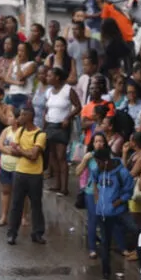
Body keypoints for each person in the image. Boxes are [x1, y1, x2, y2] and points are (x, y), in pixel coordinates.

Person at [93, 146, 135, 280]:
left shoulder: (122, 173)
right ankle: (106, 273)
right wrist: (98, 201)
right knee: (105, 244)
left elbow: (128, 192)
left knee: (135, 230)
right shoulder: (98, 171)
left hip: (119, 213)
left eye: (99, 162)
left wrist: (116, 203)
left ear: (106, 161)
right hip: (102, 214)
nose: (97, 166)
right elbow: (94, 183)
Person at [6, 105, 47, 245]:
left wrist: (21, 150)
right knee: (16, 204)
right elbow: (13, 151)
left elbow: (34, 155)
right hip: (20, 172)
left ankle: (37, 233)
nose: (20, 117)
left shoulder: (40, 134)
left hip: (35, 174)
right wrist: (26, 152)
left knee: (36, 204)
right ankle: (12, 233)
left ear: (30, 116)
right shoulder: (20, 131)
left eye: (23, 115)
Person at [44, 66, 81, 196]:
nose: (47, 78)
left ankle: (64, 188)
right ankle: (57, 184)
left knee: (61, 156)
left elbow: (78, 106)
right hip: (50, 124)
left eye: (49, 76)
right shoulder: (49, 91)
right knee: (52, 155)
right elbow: (46, 108)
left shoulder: (67, 90)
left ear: (57, 77)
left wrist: (68, 117)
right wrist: (44, 125)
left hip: (62, 126)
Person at [75, 132, 109, 260]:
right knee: (93, 219)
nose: (99, 144)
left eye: (101, 141)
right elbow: (78, 172)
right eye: (96, 141)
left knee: (106, 220)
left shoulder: (109, 157)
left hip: (107, 192)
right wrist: (85, 160)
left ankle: (104, 244)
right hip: (91, 192)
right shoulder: (89, 157)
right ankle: (92, 248)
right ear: (93, 144)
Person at [0, 108, 22, 227]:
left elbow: (21, 149)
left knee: (21, 193)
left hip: (18, 167)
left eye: (10, 116)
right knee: (5, 191)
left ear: (17, 119)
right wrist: (9, 151)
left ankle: (24, 216)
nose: (8, 118)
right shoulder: (6, 130)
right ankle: (4, 216)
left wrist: (6, 150)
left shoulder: (22, 132)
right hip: (5, 166)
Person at [4, 41, 36, 109]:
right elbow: (6, 78)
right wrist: (17, 83)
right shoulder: (13, 63)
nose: (19, 53)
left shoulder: (31, 64)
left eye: (22, 51)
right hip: (12, 94)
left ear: (28, 52)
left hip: (24, 96)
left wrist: (18, 63)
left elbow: (20, 77)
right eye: (18, 50)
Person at [32, 65, 49, 129]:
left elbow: (47, 110)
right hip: (33, 120)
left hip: (44, 122)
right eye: (39, 73)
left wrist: (44, 126)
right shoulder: (37, 85)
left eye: (43, 73)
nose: (41, 75)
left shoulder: (51, 88)